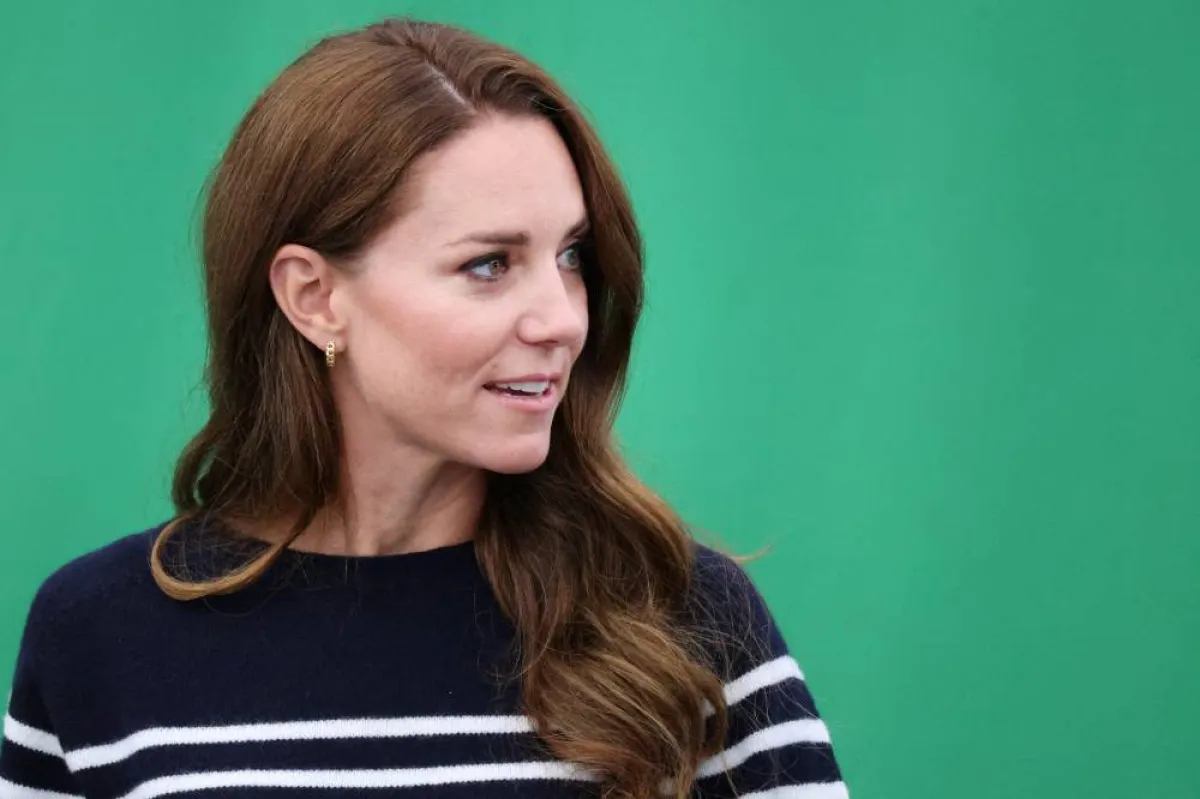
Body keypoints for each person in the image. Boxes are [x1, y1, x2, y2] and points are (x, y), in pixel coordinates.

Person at [0, 17, 847, 799]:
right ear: (315, 296)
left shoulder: (684, 618)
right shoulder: (97, 634)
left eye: (572, 255)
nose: (561, 318)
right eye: (488, 263)